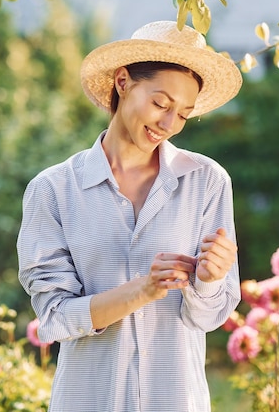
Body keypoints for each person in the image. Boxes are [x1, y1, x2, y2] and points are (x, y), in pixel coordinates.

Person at [17, 20, 242, 412]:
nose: (169, 125)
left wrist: (209, 280)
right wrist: (141, 290)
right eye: (160, 103)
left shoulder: (206, 182)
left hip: (175, 398)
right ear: (123, 82)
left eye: (184, 114)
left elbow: (209, 316)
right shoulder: (53, 189)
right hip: (88, 398)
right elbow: (54, 318)